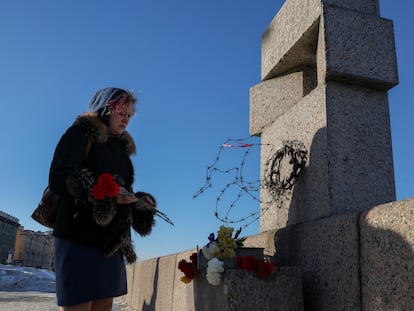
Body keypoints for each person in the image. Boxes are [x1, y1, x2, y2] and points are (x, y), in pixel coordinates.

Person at [49, 87, 156, 311]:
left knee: (104, 305)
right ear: (106, 109)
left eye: (129, 115)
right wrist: (100, 194)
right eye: (121, 113)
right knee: (78, 306)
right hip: (78, 236)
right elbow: (59, 177)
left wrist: (138, 202)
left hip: (110, 242)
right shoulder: (80, 134)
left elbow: (122, 192)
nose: (126, 120)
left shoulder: (121, 150)